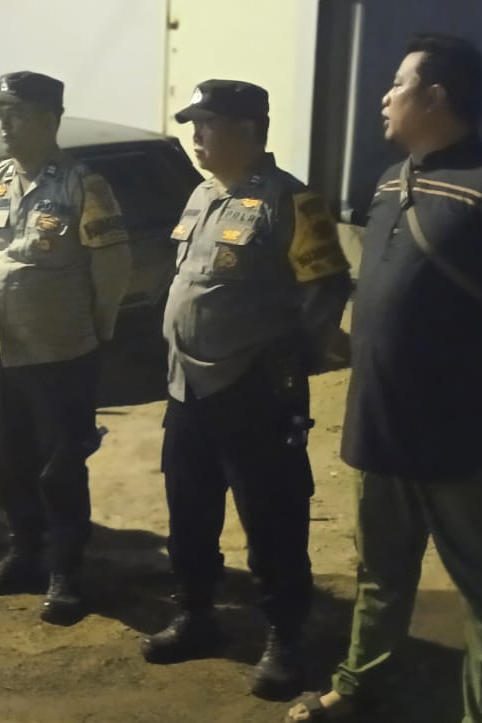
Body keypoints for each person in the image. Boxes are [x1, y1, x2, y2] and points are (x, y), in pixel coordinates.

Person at [287, 34, 482, 723]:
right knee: (380, 573)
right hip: (381, 423)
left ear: (436, 97)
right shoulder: (390, 180)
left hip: (465, 437)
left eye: (398, 84)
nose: (385, 97)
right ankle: (358, 687)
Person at [141, 80, 351, 700]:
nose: (195, 135)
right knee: (189, 512)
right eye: (192, 124)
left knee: (273, 521)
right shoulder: (203, 194)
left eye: (205, 124)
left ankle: (285, 638)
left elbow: (326, 288)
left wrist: (289, 362)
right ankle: (196, 614)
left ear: (246, 129)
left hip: (255, 391)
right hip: (188, 388)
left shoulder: (292, 201)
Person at [0, 71, 132, 626]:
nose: (4, 125)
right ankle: (24, 553)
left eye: (15, 115)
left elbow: (112, 266)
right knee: (6, 460)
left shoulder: (84, 186)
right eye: (1, 114)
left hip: (61, 352)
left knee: (59, 468)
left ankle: (66, 571)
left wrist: (96, 332)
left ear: (48, 121)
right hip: (4, 351)